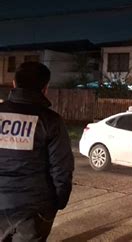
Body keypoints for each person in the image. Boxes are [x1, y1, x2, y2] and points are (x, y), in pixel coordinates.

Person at [0, 62, 75, 241]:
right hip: (34, 209)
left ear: (14, 83)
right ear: (45, 88)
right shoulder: (51, 121)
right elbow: (62, 169)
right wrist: (58, 202)